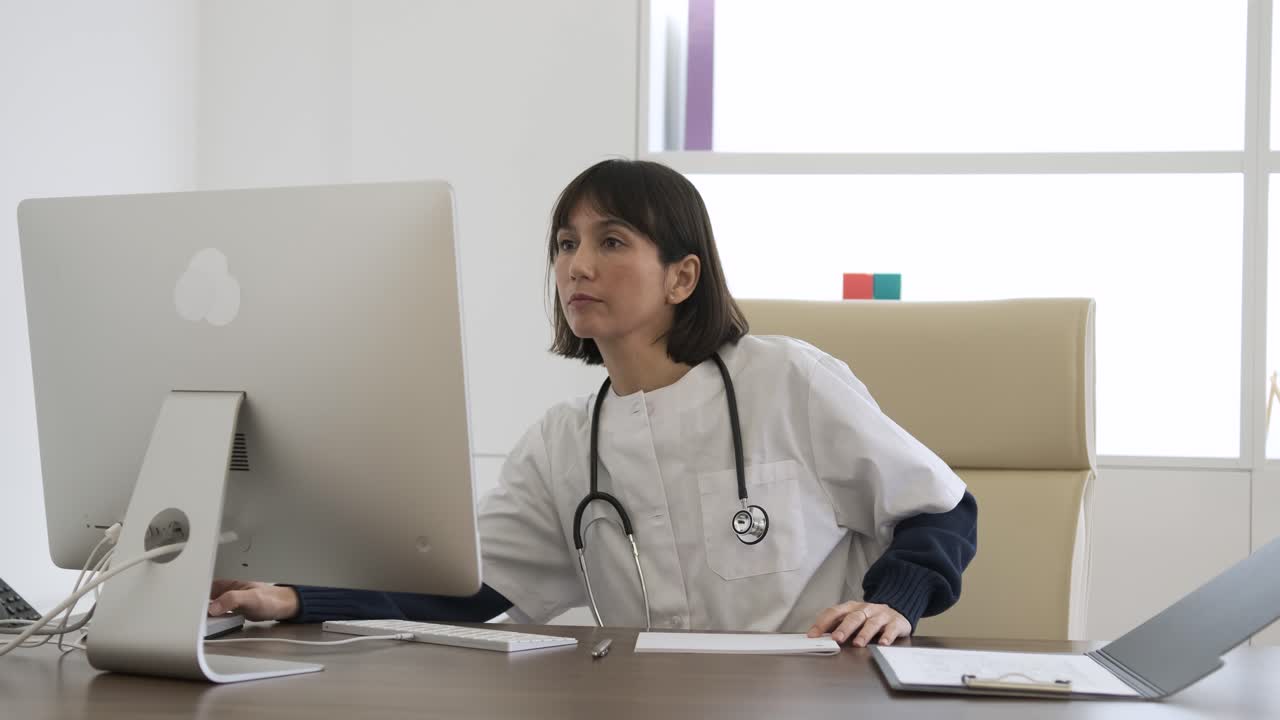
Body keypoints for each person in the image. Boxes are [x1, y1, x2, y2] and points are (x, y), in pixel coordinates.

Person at [209, 159, 978, 648]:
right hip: (647, 700)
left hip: (810, 694)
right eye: (564, 243)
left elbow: (942, 509)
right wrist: (299, 596)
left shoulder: (787, 380)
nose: (578, 265)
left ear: (682, 277)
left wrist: (897, 603)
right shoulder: (564, 442)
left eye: (611, 242)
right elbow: (466, 586)